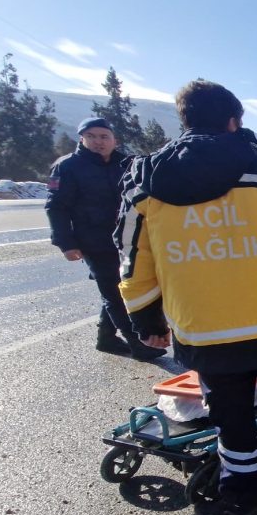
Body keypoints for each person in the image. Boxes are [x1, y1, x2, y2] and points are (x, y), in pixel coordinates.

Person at [116, 80, 257, 515]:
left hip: (204, 331)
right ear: (234, 121)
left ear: (185, 120)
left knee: (230, 421)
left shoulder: (144, 186)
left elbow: (132, 258)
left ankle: (242, 499)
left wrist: (145, 318)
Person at [45, 117, 165, 361]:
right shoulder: (68, 166)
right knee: (114, 291)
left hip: (128, 239)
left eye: (103, 136)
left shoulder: (127, 163)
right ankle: (137, 343)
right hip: (94, 241)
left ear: (114, 140)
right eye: (91, 136)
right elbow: (56, 207)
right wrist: (66, 243)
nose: (98, 141)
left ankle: (106, 339)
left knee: (118, 287)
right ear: (82, 139)